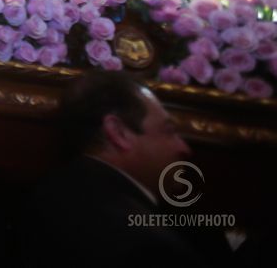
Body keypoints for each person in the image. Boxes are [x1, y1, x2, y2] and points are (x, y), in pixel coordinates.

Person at [15, 71, 226, 267]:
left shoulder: (45, 198)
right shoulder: (148, 245)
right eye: (169, 131)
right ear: (118, 132)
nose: (184, 148)